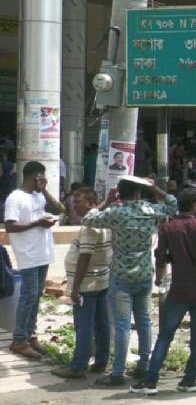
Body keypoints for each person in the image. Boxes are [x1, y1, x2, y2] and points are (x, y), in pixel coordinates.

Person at [83, 176, 177, 386]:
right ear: (138, 193)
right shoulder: (149, 210)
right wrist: (156, 190)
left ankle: (117, 372)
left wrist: (107, 201)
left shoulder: (116, 212)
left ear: (120, 194)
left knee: (123, 325)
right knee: (144, 321)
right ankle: (145, 365)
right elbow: (173, 206)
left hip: (121, 275)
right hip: (144, 273)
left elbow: (88, 219)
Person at [132, 187, 196, 394]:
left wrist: (159, 278)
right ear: (194, 205)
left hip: (178, 288)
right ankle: (190, 379)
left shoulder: (168, 228)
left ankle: (151, 380)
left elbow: (160, 257)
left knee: (165, 336)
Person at [3, 161, 61, 359]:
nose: (44, 180)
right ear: (35, 176)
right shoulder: (15, 198)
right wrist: (37, 222)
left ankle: (30, 334)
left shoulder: (38, 195)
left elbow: (59, 209)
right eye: (42, 177)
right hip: (28, 254)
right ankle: (19, 340)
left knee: (36, 296)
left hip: (43, 253)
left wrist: (44, 191)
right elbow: (10, 226)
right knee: (29, 296)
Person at [52, 188, 110, 379]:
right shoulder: (103, 218)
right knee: (102, 324)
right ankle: (101, 361)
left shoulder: (89, 226)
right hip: (102, 279)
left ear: (91, 203)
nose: (74, 206)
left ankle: (78, 366)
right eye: (74, 202)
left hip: (87, 283)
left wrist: (75, 289)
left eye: (79, 202)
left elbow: (84, 257)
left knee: (84, 326)